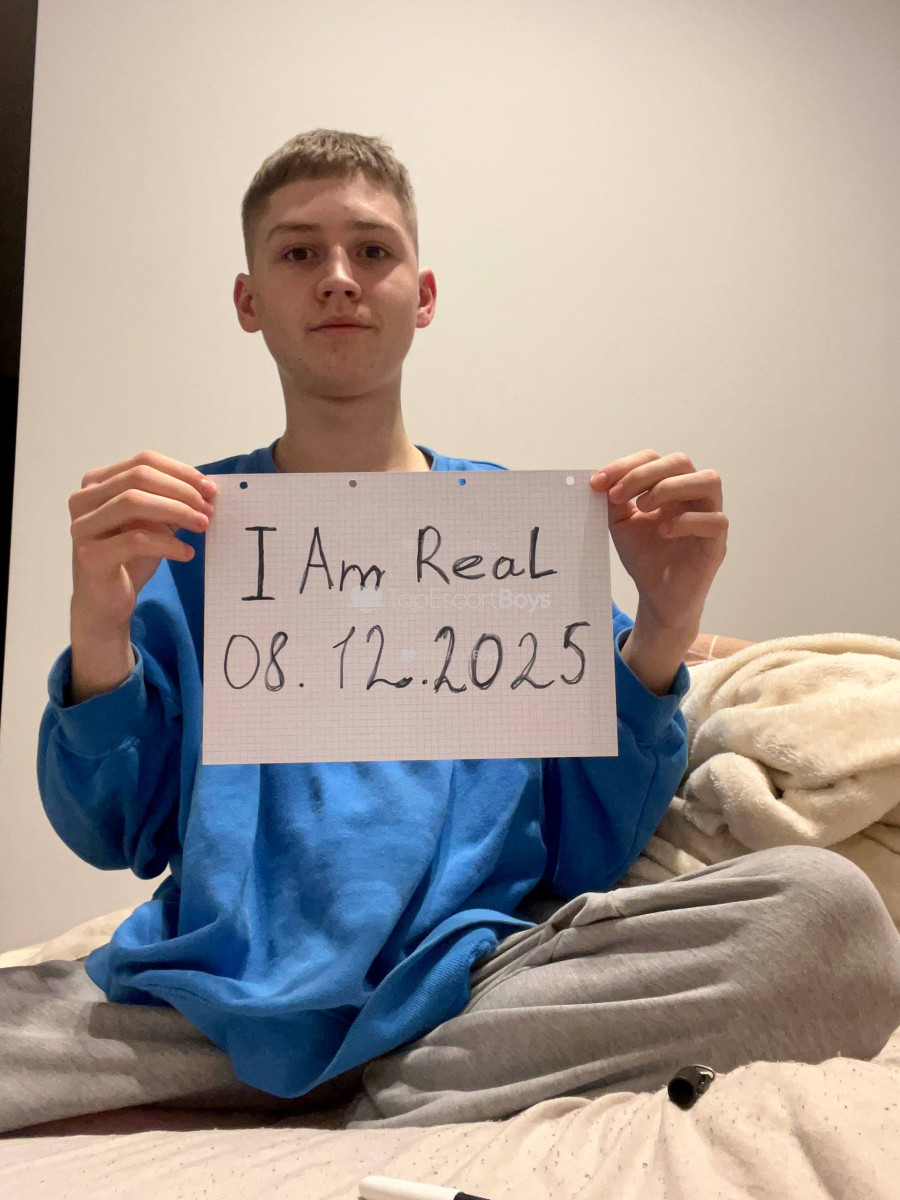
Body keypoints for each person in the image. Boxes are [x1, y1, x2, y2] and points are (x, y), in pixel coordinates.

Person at [2, 130, 899, 1137]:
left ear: (422, 295)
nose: (339, 277)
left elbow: (590, 848)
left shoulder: (514, 537)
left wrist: (665, 625)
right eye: (298, 252)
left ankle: (407, 1077)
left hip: (475, 986)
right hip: (214, 1003)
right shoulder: (186, 534)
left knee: (827, 917)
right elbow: (109, 832)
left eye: (372, 250)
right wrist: (98, 628)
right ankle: (422, 1086)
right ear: (249, 300)